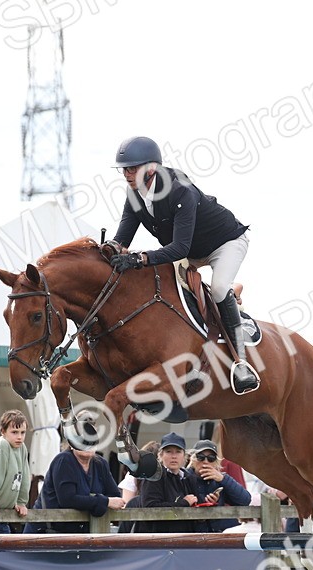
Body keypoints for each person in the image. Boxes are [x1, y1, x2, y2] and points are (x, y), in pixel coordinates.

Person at [109, 135, 258, 394]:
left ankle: (241, 362)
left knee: (220, 287)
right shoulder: (134, 194)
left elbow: (179, 249)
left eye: (132, 168)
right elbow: (122, 238)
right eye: (125, 169)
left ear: (151, 168)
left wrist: (140, 258)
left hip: (225, 244)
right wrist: (110, 250)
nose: (126, 174)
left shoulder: (180, 191)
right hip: (189, 249)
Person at [35, 420, 124, 533]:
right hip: (49, 533)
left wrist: (96, 504)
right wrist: (103, 502)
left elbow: (115, 496)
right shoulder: (64, 461)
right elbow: (68, 499)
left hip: (84, 533)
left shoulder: (100, 464)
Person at [138, 432, 204, 533]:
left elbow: (197, 505)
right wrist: (184, 503)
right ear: (161, 455)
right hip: (158, 539)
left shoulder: (189, 478)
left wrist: (208, 501)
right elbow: (150, 507)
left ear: (184, 456)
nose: (174, 456)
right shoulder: (153, 477)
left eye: (178, 452)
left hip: (186, 538)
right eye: (169, 452)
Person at [187, 439, 252, 532]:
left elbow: (245, 501)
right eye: (200, 457)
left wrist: (223, 479)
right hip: (190, 535)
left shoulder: (220, 479)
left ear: (216, 462)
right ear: (193, 459)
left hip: (216, 534)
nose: (205, 461)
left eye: (211, 458)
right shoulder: (184, 478)